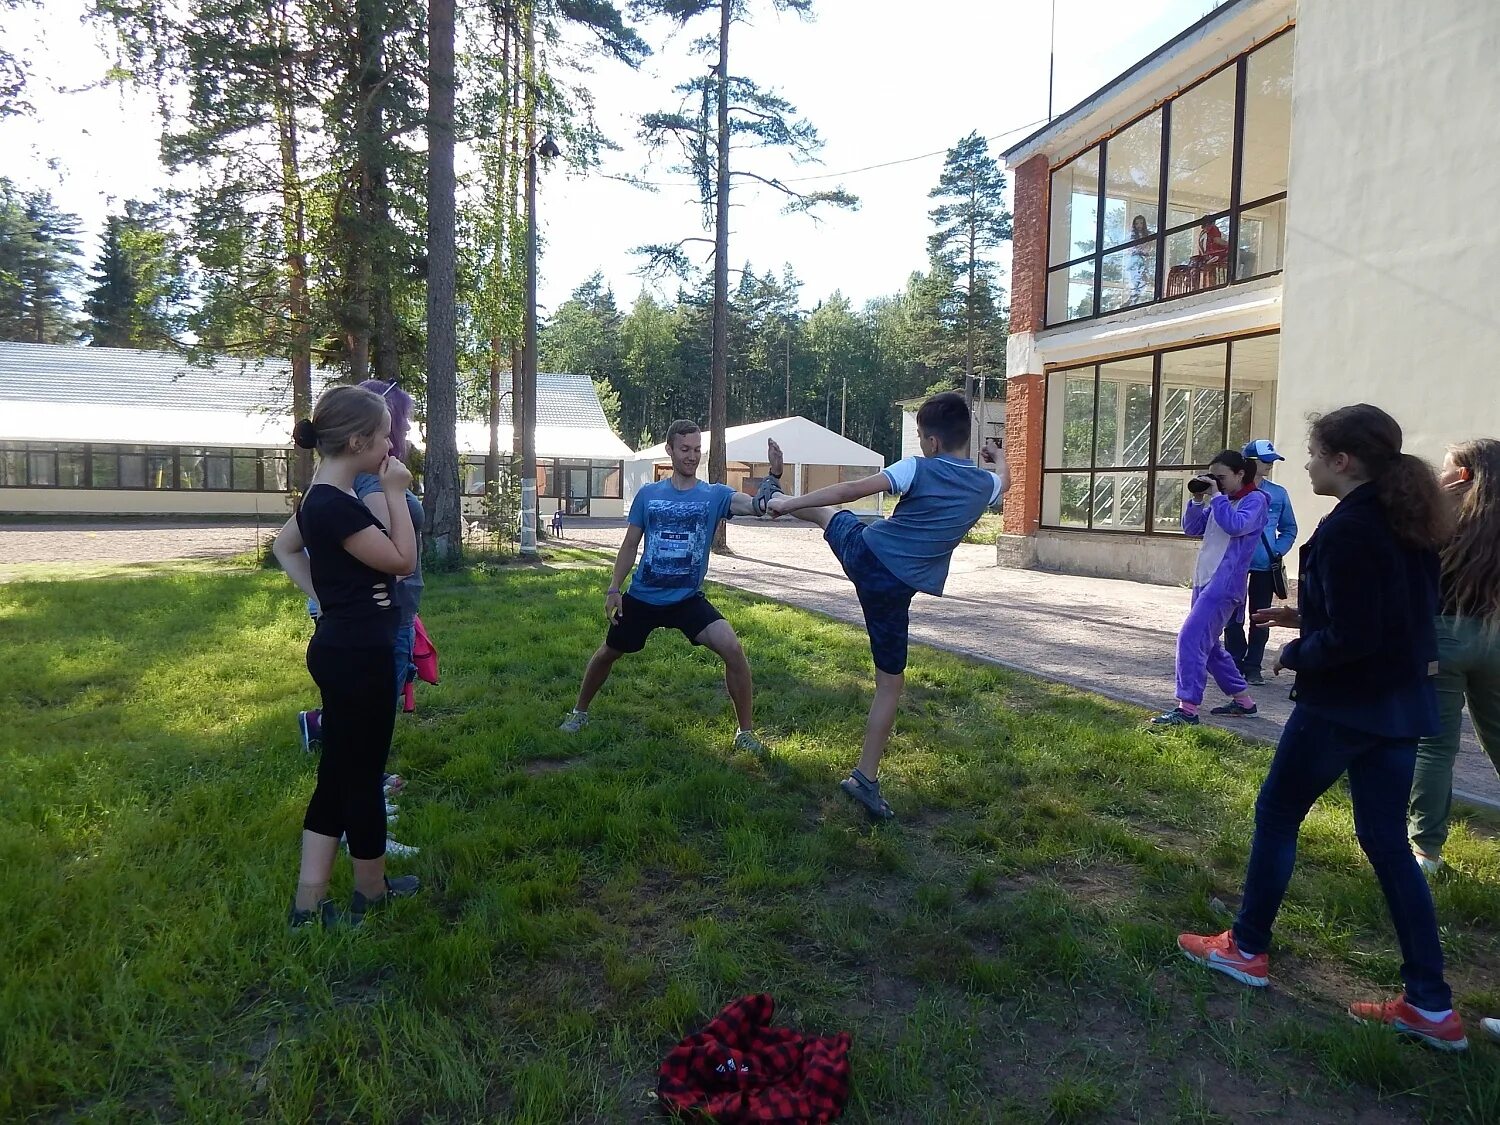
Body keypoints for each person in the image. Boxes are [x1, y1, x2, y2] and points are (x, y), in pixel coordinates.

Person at [1178, 404, 1467, 1052]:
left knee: (1278, 811)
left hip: (1343, 706)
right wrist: (1300, 615)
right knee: (1388, 843)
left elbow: (1357, 637)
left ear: (1343, 460)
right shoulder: (1409, 520)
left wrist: (1298, 651)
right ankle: (1431, 1003)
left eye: (1313, 452)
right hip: (1400, 706)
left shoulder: (1349, 529)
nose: (1305, 463)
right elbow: (1391, 617)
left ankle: (1246, 947)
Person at [767, 392, 1008, 820]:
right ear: (964, 439)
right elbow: (1004, 483)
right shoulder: (984, 484)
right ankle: (865, 777)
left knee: (829, 513)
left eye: (919, 437)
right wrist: (998, 458)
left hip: (866, 554)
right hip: (896, 592)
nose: (918, 445)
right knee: (890, 685)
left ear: (931, 442)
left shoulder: (917, 467)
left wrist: (792, 502)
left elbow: (851, 489)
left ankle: (774, 498)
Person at [272, 385, 421, 929]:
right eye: (384, 434)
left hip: (344, 645)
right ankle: (371, 893)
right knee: (359, 778)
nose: (390, 443)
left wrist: (328, 597)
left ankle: (309, 904)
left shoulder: (319, 500)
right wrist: (398, 494)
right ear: (359, 441)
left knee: (338, 774)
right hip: (359, 655)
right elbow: (402, 560)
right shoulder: (337, 506)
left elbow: (285, 548)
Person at [558, 421, 779, 751]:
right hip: (644, 597)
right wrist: (614, 588)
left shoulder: (715, 495)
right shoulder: (649, 495)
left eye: (696, 450)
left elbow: (759, 507)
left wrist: (773, 477)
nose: (691, 457)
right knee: (608, 653)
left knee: (732, 649)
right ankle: (579, 712)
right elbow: (631, 543)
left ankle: (745, 733)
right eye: (685, 449)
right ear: (670, 451)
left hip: (687, 600)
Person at [1408, 438, 1500, 874]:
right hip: (1496, 637)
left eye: (1445, 469)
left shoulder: (1440, 518)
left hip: (1443, 635)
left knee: (1435, 747)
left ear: (1461, 476)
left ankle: (1425, 851)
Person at [1151, 449, 1268, 727]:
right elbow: (1192, 528)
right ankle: (1243, 702)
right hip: (1204, 581)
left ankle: (1187, 709)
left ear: (1241, 474)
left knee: (1189, 638)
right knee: (1210, 645)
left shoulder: (1256, 500)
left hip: (1224, 585)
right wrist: (1197, 497)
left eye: (1221, 477)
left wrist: (1216, 497)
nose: (1217, 481)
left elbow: (1236, 526)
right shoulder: (1221, 500)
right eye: (1212, 476)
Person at [1223, 438, 1298, 686]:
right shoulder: (1230, 493)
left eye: (1272, 461)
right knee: (1232, 616)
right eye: (1265, 461)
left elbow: (1289, 528)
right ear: (1248, 463)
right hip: (1234, 565)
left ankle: (1253, 666)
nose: (1269, 466)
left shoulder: (1277, 493)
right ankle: (1234, 661)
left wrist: (1277, 550)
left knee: (1261, 616)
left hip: (1264, 566)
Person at [1126, 214, 1154, 303]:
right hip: (1135, 258)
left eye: (1141, 223)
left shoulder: (1148, 235)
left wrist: (1143, 248)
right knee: (1135, 278)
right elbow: (1131, 248)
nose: (1139, 226)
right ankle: (1133, 296)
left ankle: (1137, 296)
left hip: (1144, 258)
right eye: (1137, 223)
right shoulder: (1132, 235)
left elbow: (1148, 247)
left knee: (1144, 278)